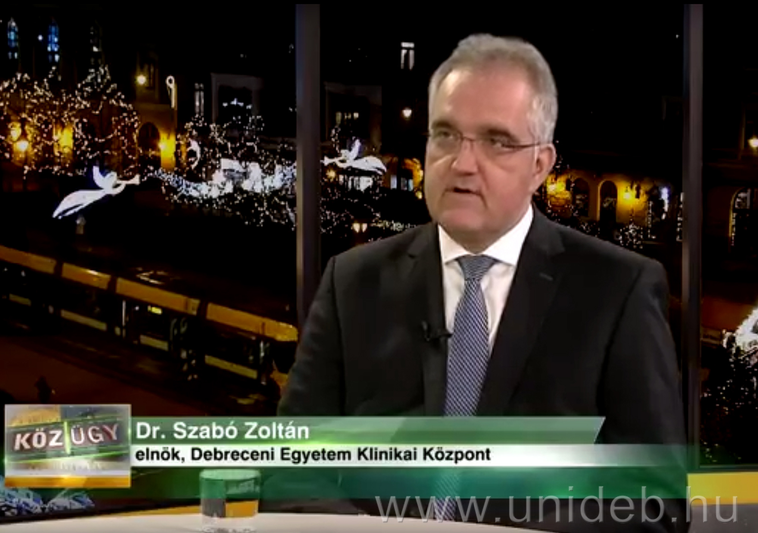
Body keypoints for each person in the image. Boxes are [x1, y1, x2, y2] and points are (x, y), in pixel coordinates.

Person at [263, 34, 687, 532]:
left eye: (496, 141)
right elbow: (290, 471)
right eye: (445, 134)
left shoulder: (618, 290)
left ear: (540, 165)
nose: (462, 163)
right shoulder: (352, 281)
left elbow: (655, 501)